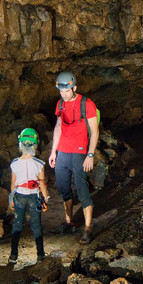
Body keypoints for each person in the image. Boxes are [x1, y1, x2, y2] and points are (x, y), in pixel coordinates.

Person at [48, 71, 99, 244]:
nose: (64, 95)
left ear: (74, 87)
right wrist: (53, 151)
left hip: (79, 153)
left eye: (67, 91)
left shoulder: (87, 104)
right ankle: (69, 222)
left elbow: (94, 131)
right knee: (64, 189)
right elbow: (58, 127)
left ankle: (87, 229)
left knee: (82, 191)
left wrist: (90, 155)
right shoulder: (60, 104)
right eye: (61, 92)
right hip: (62, 152)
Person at [8, 127, 49, 263]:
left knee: (17, 225)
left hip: (19, 195)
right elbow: (42, 184)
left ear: (20, 144)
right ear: (35, 145)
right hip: (33, 196)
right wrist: (45, 198)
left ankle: (13, 255)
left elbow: (13, 184)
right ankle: (40, 255)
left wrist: (11, 200)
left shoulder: (14, 164)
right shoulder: (39, 164)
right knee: (36, 225)